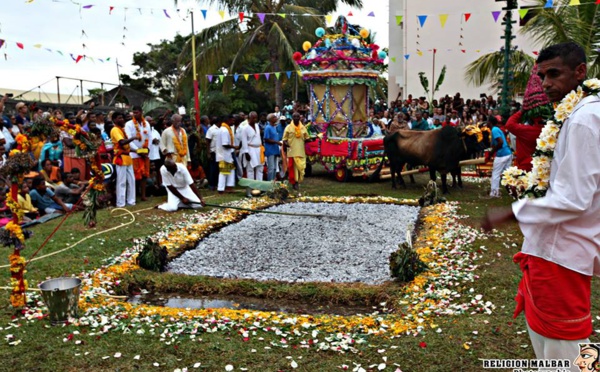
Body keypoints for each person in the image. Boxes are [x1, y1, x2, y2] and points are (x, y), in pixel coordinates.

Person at [482, 42, 599, 367]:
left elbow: (573, 198)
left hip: (562, 254)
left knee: (569, 351)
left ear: (580, 72)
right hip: (555, 250)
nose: (546, 82)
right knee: (552, 349)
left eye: (554, 74)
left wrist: (511, 212)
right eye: (542, 75)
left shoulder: (581, 120)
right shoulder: (579, 113)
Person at [125, 106, 152, 202]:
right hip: (134, 154)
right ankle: (134, 195)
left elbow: (150, 137)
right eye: (134, 113)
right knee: (134, 176)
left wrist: (148, 149)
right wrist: (137, 150)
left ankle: (143, 195)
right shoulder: (128, 124)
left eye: (137, 112)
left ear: (141, 112)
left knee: (144, 175)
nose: (135, 114)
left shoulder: (147, 124)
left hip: (145, 153)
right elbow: (128, 139)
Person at [110, 111, 136, 208]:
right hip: (120, 159)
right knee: (121, 182)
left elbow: (126, 146)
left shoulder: (121, 129)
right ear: (114, 120)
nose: (122, 119)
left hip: (128, 158)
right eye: (119, 118)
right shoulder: (115, 129)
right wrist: (133, 138)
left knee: (131, 180)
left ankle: (131, 201)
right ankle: (120, 203)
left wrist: (138, 151)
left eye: (122, 118)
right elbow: (121, 142)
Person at [282, 112, 315, 190]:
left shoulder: (303, 127)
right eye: (294, 116)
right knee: (292, 167)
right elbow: (284, 139)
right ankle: (294, 182)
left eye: (297, 116)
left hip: (300, 151)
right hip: (292, 151)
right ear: (292, 118)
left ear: (300, 118)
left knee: (301, 167)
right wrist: (286, 144)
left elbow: (306, 138)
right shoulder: (288, 127)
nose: (296, 118)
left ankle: (298, 180)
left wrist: (312, 139)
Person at [487, 115, 512, 198]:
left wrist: (491, 152)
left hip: (502, 154)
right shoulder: (497, 129)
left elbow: (500, 142)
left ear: (490, 123)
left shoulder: (494, 129)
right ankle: (512, 190)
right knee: (507, 174)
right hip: (507, 153)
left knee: (496, 174)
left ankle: (494, 193)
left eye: (487, 121)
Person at [240, 112, 264, 186]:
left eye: (256, 118)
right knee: (250, 169)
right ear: (249, 118)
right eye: (253, 118)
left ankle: (259, 187)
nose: (255, 119)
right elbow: (244, 141)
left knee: (260, 168)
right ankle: (251, 187)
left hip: (259, 149)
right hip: (250, 149)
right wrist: (246, 153)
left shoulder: (257, 126)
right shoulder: (245, 128)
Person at [215, 115, 236, 194]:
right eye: (232, 120)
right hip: (223, 154)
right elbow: (225, 144)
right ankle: (221, 189)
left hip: (227, 153)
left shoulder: (226, 129)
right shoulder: (224, 130)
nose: (233, 122)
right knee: (224, 172)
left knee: (231, 170)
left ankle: (229, 187)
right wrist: (234, 147)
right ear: (228, 120)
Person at [263, 113, 282, 181]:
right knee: (271, 168)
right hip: (270, 150)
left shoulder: (274, 127)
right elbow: (266, 139)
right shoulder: (268, 128)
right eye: (274, 117)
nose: (276, 118)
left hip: (275, 149)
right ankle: (269, 183)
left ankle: (273, 181)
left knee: (274, 168)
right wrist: (276, 142)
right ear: (270, 119)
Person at [205, 117, 220, 190]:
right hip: (213, 152)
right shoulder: (211, 129)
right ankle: (211, 185)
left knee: (218, 169)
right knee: (212, 169)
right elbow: (207, 141)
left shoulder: (222, 129)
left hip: (220, 152)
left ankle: (217, 184)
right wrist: (208, 153)